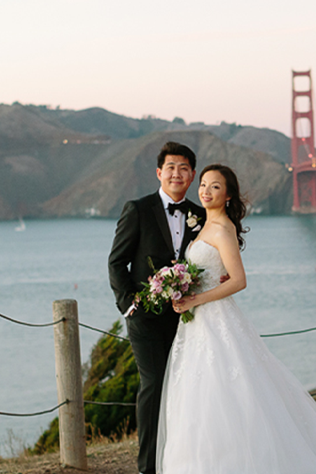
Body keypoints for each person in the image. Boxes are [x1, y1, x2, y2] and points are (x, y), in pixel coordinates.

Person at [157, 164, 316, 474]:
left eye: (215, 186)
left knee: (226, 391)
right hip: (197, 321)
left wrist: (198, 298)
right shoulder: (204, 227)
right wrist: (182, 287)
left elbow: (238, 280)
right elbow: (208, 272)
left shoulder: (222, 229)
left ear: (228, 194)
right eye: (203, 185)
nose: (205, 191)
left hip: (214, 316)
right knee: (197, 397)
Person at [108, 141, 206, 474]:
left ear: (192, 175)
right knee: (153, 385)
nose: (176, 173)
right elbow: (117, 261)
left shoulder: (200, 214)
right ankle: (148, 468)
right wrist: (129, 305)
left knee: (188, 386)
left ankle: (182, 460)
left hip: (190, 319)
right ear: (159, 172)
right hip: (146, 318)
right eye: (171, 167)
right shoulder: (137, 208)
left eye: (184, 168)